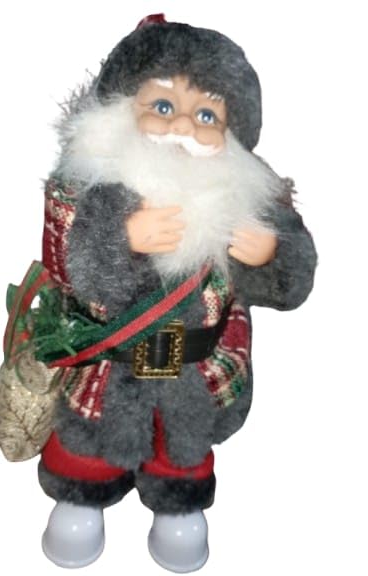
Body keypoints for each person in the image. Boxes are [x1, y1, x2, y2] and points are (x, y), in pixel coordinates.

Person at [38, 15, 317, 572]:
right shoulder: (86, 187)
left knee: (183, 450)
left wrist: (270, 255)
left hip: (196, 370)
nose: (184, 126)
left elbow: (293, 284)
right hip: (107, 369)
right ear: (122, 111)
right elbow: (63, 267)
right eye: (163, 106)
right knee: (85, 446)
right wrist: (119, 238)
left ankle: (178, 508)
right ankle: (80, 498)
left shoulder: (248, 200)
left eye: (207, 115)